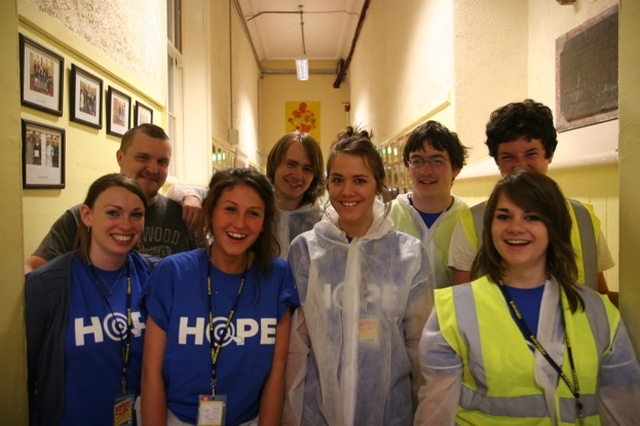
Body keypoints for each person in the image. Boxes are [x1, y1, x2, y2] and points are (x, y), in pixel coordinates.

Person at [415, 168, 640, 425]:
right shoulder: (452, 312)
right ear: (489, 228)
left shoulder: (600, 312)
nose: (515, 227)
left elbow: (625, 411)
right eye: (504, 216)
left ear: (554, 227)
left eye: (532, 217)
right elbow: (434, 415)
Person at [284, 127, 432, 425]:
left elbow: (420, 349)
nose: (347, 191)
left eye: (360, 180)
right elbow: (295, 349)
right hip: (316, 414)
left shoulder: (408, 256)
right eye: (338, 180)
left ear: (378, 186)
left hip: (390, 413)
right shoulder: (306, 251)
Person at [140, 168, 299, 425]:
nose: (240, 224)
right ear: (211, 212)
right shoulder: (174, 272)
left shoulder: (277, 276)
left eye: (253, 214)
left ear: (264, 222)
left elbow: (276, 375)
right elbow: (151, 373)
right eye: (230, 209)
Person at [25, 173, 160, 426]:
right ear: (87, 215)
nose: (126, 225)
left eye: (136, 215)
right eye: (113, 213)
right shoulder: (48, 284)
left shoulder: (156, 276)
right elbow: (28, 370)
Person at [448, 99, 615, 301]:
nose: (520, 165)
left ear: (549, 154)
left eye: (531, 154)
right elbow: (463, 306)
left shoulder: (583, 218)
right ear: (497, 161)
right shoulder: (471, 223)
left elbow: (600, 294)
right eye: (508, 157)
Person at [24, 123, 197, 274]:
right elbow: (33, 268)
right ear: (120, 157)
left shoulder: (185, 217)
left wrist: (191, 194)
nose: (152, 169)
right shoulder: (81, 218)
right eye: (143, 157)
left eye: (162, 162)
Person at [167, 131, 326, 259]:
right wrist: (190, 197)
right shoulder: (250, 199)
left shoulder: (320, 220)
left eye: (307, 169)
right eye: (291, 164)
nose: (298, 175)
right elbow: (177, 188)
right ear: (275, 164)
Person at [390, 120, 469, 289]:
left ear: (456, 168)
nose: (426, 170)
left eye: (437, 161)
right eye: (417, 161)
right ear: (408, 167)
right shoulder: (387, 216)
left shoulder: (469, 220)